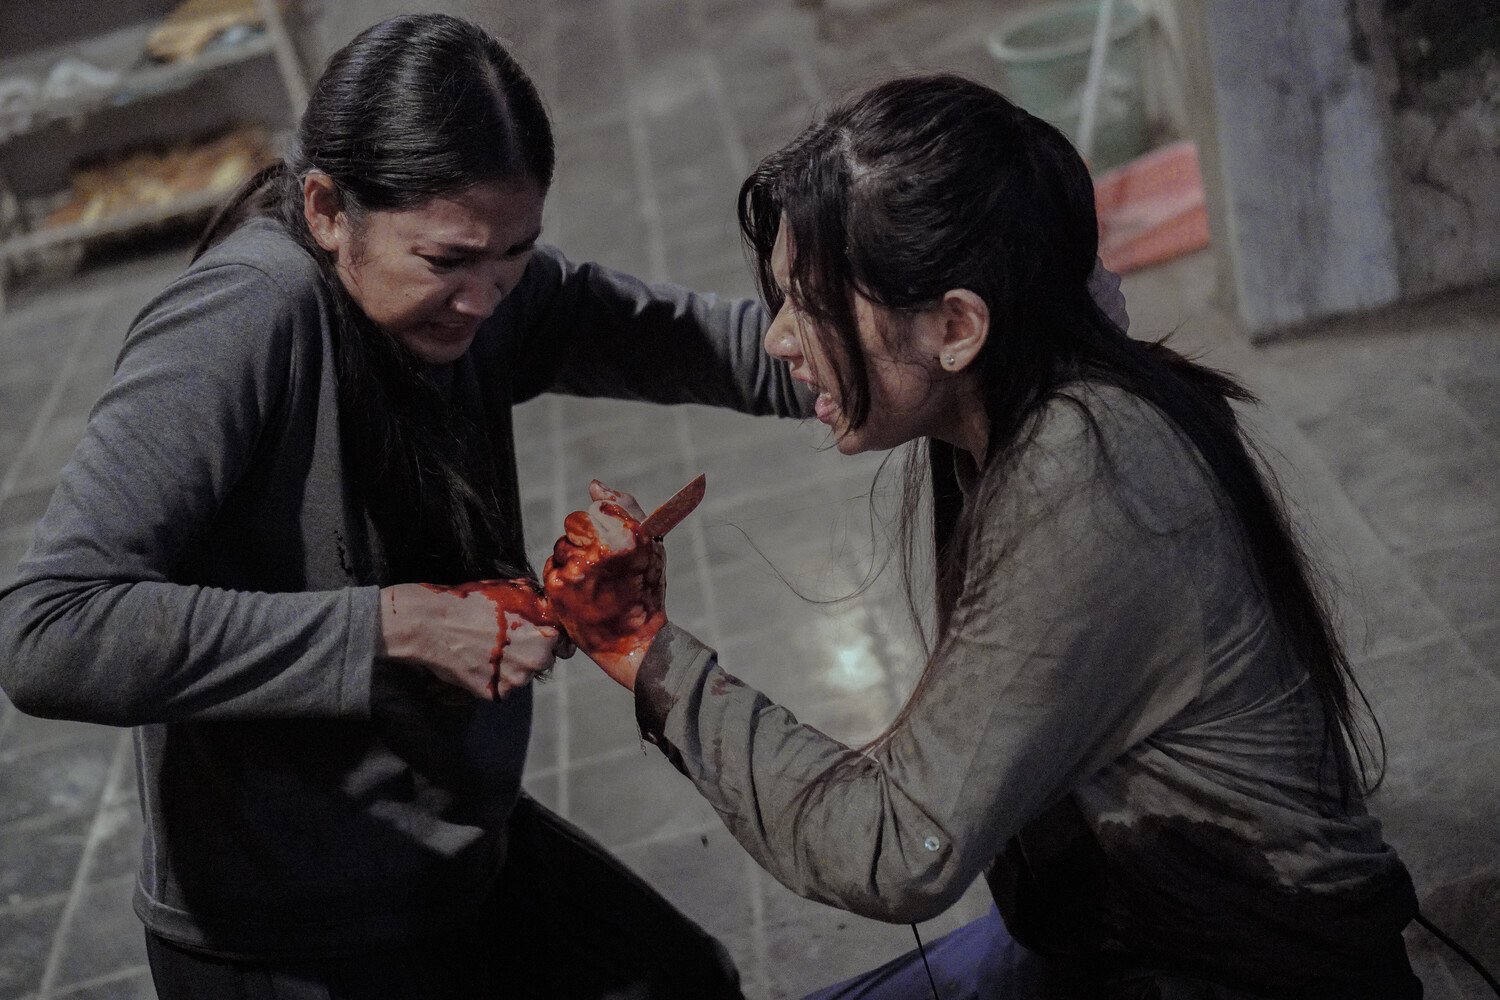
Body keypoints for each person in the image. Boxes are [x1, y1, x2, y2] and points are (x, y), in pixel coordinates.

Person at [542, 74, 1422, 1000]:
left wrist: (642, 649)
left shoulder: (1086, 475)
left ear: (957, 326)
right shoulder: (1034, 369)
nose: (778, 340)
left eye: (813, 306)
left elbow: (894, 847)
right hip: (1115, 932)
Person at [0, 13, 815, 999]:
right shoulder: (246, 317)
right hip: (288, 925)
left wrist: (863, 362)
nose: (485, 297)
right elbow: (49, 632)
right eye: (446, 261)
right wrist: (395, 627)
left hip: (456, 854)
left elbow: (682, 336)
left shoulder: (482, 283)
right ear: (326, 208)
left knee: (684, 984)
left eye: (514, 255)